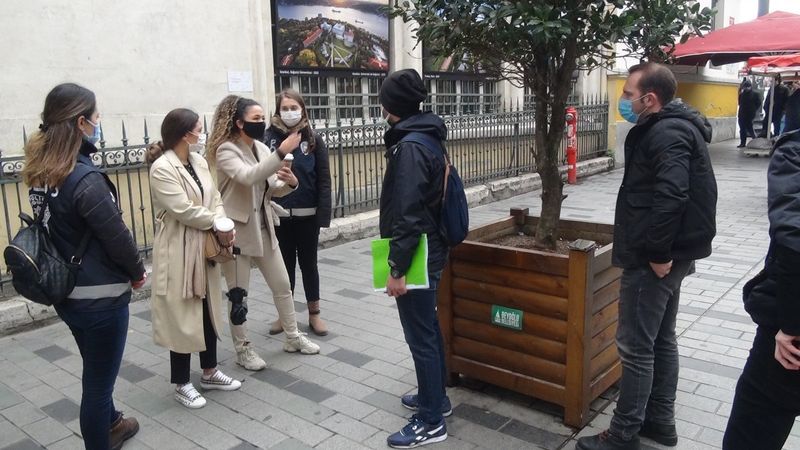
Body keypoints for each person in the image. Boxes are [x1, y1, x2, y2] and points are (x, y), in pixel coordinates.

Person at [577, 63, 717, 450]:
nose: (623, 100)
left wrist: (657, 252)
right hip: (674, 252)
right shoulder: (675, 126)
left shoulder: (666, 132)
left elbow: (672, 194)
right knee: (661, 339)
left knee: (636, 346)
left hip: (655, 256)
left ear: (649, 98)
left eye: (628, 94)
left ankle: (623, 434)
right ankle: (659, 421)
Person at [22, 83, 146, 450]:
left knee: (95, 365)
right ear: (80, 122)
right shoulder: (84, 178)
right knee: (97, 386)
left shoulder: (44, 172)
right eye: (95, 117)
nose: (98, 122)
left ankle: (113, 423)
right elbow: (117, 236)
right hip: (100, 298)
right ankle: (101, 436)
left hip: (67, 293)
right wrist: (138, 272)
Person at [206, 95, 320, 372]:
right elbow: (248, 177)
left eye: (262, 117)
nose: (261, 122)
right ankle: (243, 349)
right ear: (239, 122)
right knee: (238, 294)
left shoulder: (258, 146)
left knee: (282, 284)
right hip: (235, 232)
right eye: (255, 119)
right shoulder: (225, 150)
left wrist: (290, 182)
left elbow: (269, 187)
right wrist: (280, 153)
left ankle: (292, 336)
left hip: (264, 226)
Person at [148, 108, 241, 409]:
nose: (201, 134)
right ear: (183, 133)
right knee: (182, 315)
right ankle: (181, 382)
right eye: (198, 129)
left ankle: (210, 372)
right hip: (178, 249)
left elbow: (215, 198)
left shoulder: (198, 161)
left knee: (207, 308)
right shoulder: (162, 168)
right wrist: (216, 223)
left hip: (203, 246)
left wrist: (222, 221)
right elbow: (182, 209)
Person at [378, 69, 451, 448]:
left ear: (391, 105)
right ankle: (435, 397)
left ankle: (431, 421)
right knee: (429, 329)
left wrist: (397, 268)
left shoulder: (410, 147)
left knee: (420, 336)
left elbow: (407, 214)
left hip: (417, 252)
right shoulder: (427, 135)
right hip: (430, 246)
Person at [721, 129, 800, 450]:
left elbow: (794, 238)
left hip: (789, 342)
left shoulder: (795, 151)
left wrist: (792, 324)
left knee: (752, 430)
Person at [266, 89, 332, 336]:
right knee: (284, 268)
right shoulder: (269, 139)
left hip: (308, 215)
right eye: (285, 108)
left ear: (302, 110)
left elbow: (324, 180)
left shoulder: (313, 140)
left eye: (294, 107)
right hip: (279, 216)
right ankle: (285, 316)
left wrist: (323, 215)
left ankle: (314, 314)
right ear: (278, 111)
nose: (290, 112)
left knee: (309, 265)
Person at [737, 78, 761, 148]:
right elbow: (739, 103)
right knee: (742, 129)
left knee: (750, 128)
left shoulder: (755, 94)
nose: (746, 88)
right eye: (745, 87)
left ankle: (755, 141)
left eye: (747, 87)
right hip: (742, 114)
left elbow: (758, 103)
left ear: (750, 87)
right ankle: (742, 143)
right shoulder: (742, 94)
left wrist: (753, 110)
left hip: (750, 115)